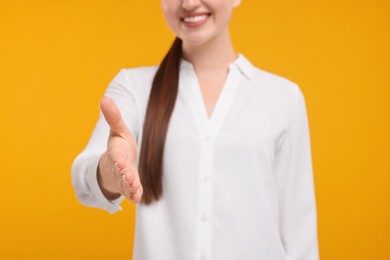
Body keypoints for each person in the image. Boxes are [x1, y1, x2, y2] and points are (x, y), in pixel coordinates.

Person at [71, 0, 320, 259]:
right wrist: (110, 171)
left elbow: (300, 239)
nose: (189, 3)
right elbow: (83, 177)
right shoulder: (133, 88)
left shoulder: (283, 97)